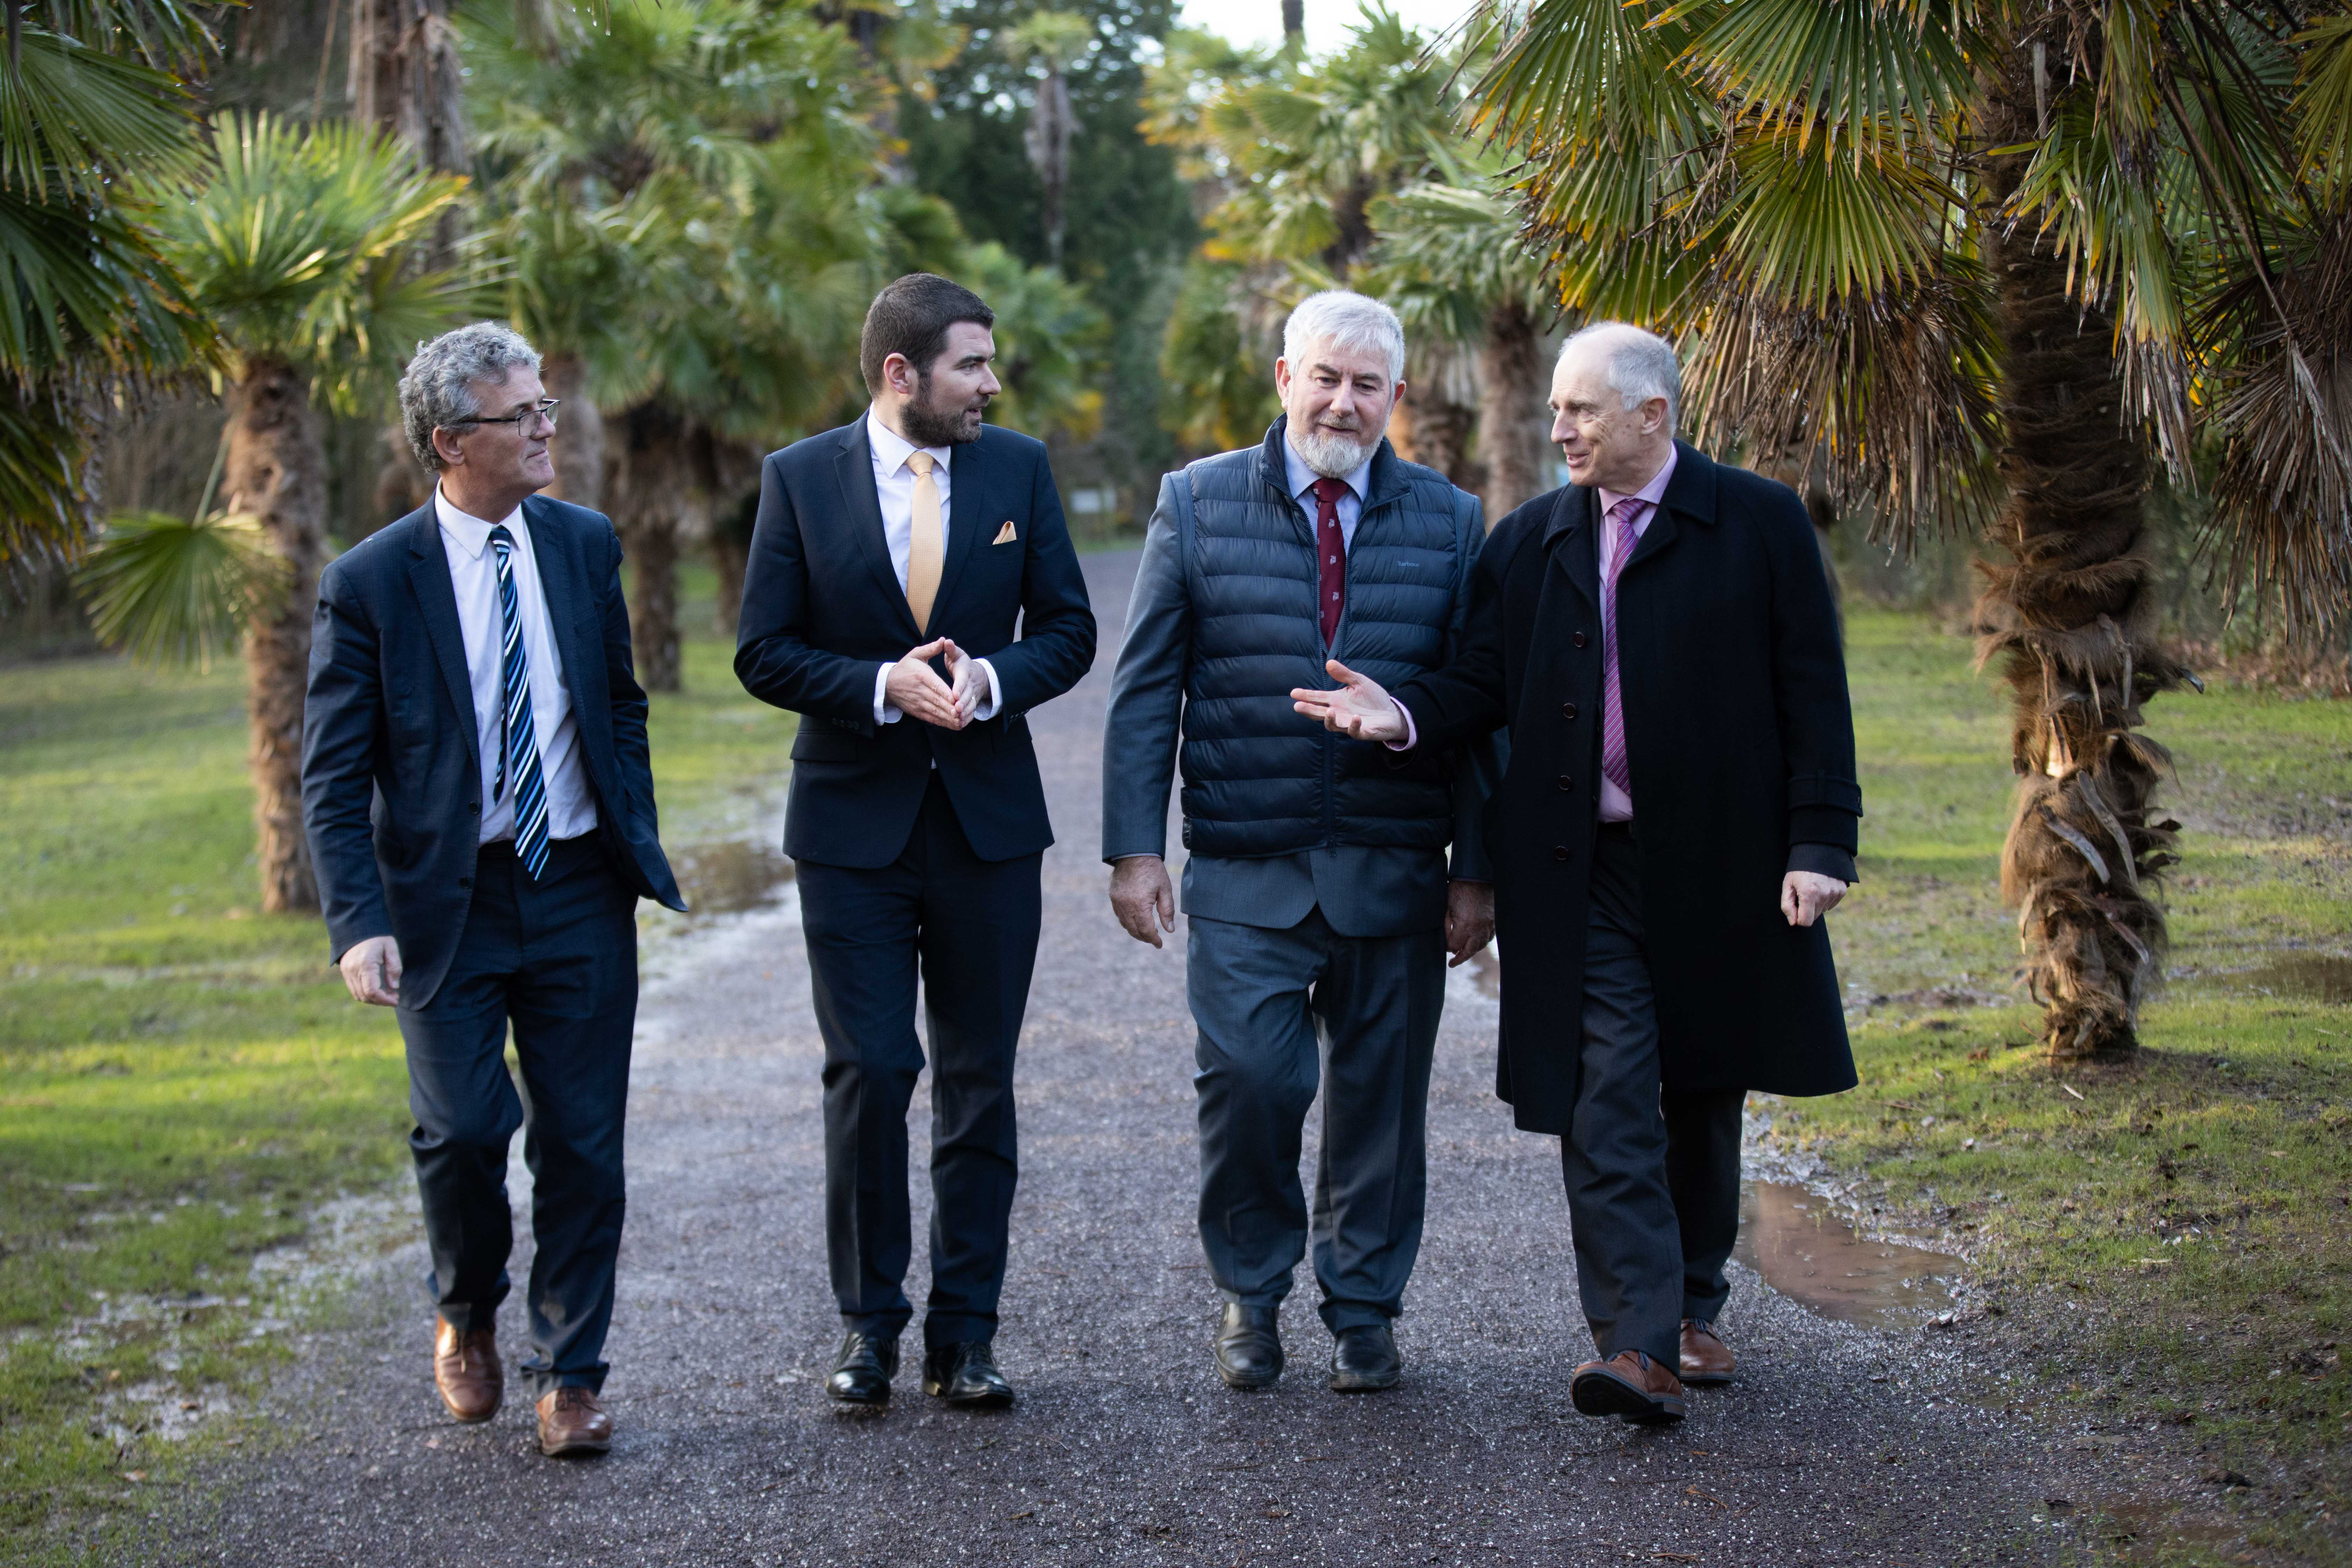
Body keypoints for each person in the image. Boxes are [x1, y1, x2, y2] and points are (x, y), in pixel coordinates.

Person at [1292, 322, 1861, 1423]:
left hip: (1721, 863)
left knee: (1701, 1088)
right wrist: (1401, 712)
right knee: (1605, 1092)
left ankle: (1695, 1302)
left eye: (1585, 411)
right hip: (1575, 869)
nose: (1562, 429)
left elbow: (1815, 694)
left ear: (1655, 415)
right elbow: (1480, 684)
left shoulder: (1758, 522)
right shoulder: (1535, 539)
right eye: (1558, 408)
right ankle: (1636, 1344)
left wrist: (1820, 845)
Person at [1102, 290, 1496, 1394]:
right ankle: (1251, 1292)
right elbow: (1146, 693)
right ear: (1285, 379)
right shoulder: (1197, 500)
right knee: (1251, 1085)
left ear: (1398, 399)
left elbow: (1478, 706)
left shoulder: (1451, 519)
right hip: (1245, 866)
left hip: (1394, 870)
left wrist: (1478, 871)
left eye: (1368, 385)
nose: (1344, 401)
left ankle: (1365, 1308)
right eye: (1326, 377)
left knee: (1381, 1106)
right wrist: (1135, 849)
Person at [303, 321, 686, 1457]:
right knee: (466, 1130)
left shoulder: (582, 542)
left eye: (545, 407)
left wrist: (631, 827)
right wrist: (359, 922)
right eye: (519, 415)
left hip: (574, 884)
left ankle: (571, 1374)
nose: (543, 430)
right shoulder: (370, 583)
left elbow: (617, 701)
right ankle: (465, 1306)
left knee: (582, 1142)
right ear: (446, 441)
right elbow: (332, 775)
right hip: (444, 904)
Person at [735, 274, 1096, 1410]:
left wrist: (990, 680)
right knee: (872, 1070)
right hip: (851, 830)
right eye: (971, 366)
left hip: (990, 828)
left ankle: (970, 1333)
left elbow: (1074, 631)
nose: (991, 384)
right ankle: (869, 1328)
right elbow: (763, 651)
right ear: (903, 374)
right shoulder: (799, 480)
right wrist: (876, 686)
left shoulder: (1019, 471)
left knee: (981, 1081)